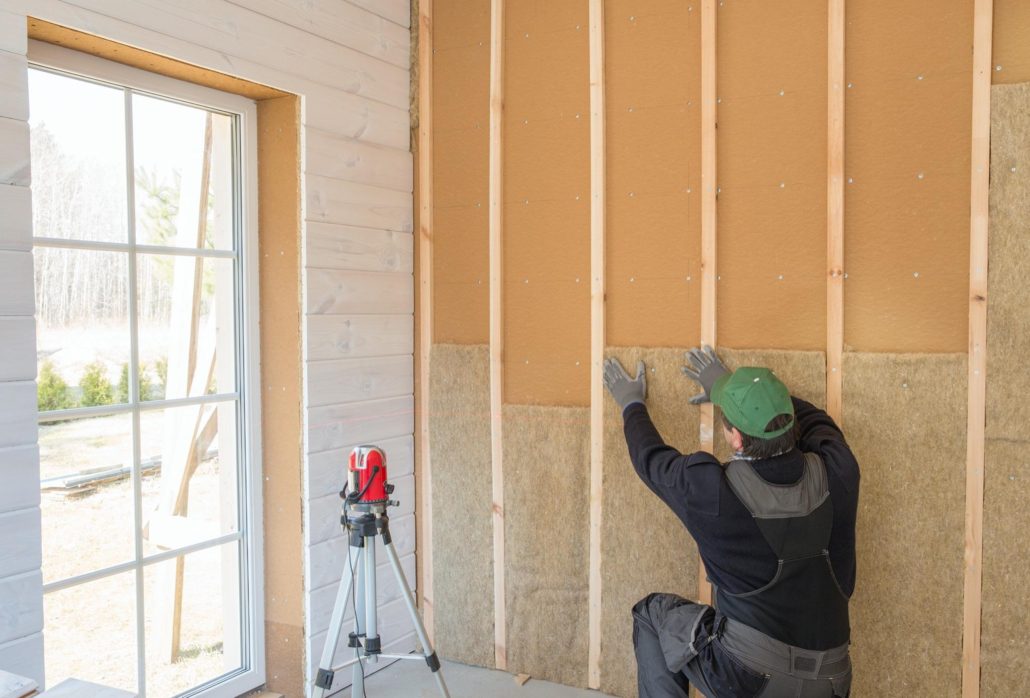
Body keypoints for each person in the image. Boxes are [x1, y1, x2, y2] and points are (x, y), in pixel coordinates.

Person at [602, 346, 859, 698]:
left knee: (652, 614)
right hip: (832, 684)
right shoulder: (839, 469)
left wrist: (631, 404)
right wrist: (736, 390)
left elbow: (651, 460)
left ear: (735, 437)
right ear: (791, 423)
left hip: (749, 680)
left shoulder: (713, 493)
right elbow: (816, 419)